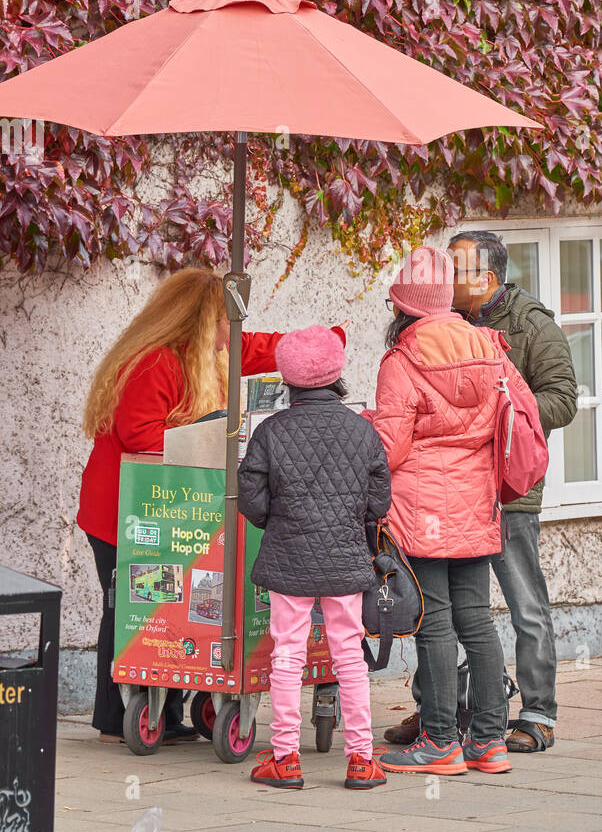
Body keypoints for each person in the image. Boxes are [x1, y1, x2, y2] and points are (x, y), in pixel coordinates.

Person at [384, 231, 578, 755]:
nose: (446, 276)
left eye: (456, 269)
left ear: (486, 280)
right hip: (465, 491)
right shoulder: (454, 326)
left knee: (522, 607)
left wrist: (505, 418)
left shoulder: (531, 325)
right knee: (455, 611)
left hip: (508, 492)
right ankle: (441, 713)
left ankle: (536, 712)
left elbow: (563, 399)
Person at [78, 268, 284, 744]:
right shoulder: (156, 362)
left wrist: (320, 343)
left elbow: (254, 349)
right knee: (131, 607)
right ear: (199, 320)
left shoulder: (198, 356)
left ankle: (162, 711)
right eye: (224, 321)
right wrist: (208, 434)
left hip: (158, 509)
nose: (231, 332)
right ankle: (122, 715)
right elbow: (143, 436)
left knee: (165, 603)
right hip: (122, 513)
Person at [368, 245, 532, 777]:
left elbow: (389, 449)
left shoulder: (403, 359)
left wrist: (367, 424)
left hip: (422, 510)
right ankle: (489, 740)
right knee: (477, 622)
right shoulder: (490, 346)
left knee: (434, 622)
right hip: (476, 505)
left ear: (403, 305)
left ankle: (440, 741)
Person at [238, 325, 391, 791]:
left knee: (287, 654)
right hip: (346, 559)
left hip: (289, 559)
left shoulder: (269, 431)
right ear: (336, 373)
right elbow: (379, 501)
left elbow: (251, 496)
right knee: (349, 655)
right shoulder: (361, 431)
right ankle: (362, 760)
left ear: (288, 378)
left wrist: (277, 523)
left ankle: (285, 758)